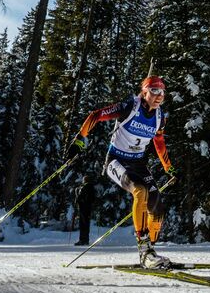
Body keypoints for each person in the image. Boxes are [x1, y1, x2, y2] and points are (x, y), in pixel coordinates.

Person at [67, 75, 177, 269]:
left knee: (157, 206)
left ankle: (150, 252)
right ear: (144, 92)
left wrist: (169, 167)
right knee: (140, 191)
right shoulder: (129, 106)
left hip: (139, 164)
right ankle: (144, 251)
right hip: (116, 161)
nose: (159, 96)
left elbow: (159, 142)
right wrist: (80, 139)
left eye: (162, 92)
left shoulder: (160, 117)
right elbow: (96, 115)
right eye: (154, 90)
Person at [74, 174, 95, 246]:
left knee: (83, 224)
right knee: (86, 224)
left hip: (83, 208)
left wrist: (77, 196)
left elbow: (79, 198)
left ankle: (82, 240)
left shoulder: (84, 187)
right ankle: (85, 240)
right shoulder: (91, 187)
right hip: (88, 208)